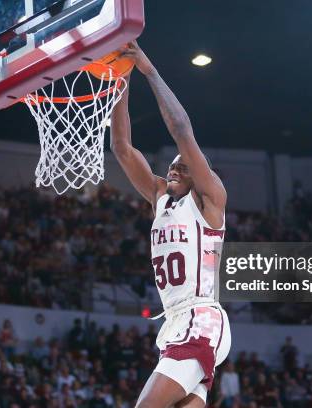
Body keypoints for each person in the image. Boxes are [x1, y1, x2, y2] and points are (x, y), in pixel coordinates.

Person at [111, 41, 231, 407]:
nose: (174, 168)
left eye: (183, 166)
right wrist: (120, 79)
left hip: (201, 316)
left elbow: (181, 129)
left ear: (199, 175)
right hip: (175, 322)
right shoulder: (160, 198)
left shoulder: (210, 201)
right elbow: (121, 147)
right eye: (172, 166)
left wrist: (149, 71)